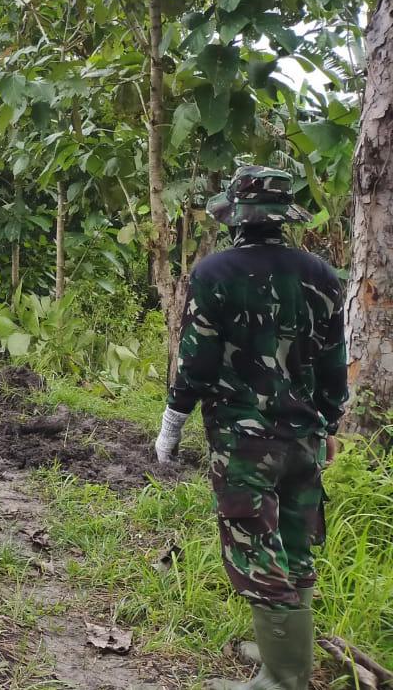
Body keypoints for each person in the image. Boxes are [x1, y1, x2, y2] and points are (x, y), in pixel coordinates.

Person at [153, 166, 346, 690]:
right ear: (283, 217)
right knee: (294, 546)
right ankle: (280, 654)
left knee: (257, 553)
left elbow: (196, 363)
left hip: (244, 442)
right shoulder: (322, 276)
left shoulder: (215, 274)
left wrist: (172, 421)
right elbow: (334, 363)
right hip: (304, 439)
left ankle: (284, 678)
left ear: (236, 216)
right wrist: (330, 421)